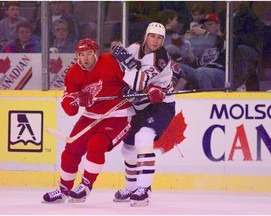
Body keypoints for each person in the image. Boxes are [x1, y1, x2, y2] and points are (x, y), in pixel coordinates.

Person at [42, 38, 135, 203]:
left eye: (89, 53)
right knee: (71, 148)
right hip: (91, 115)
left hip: (118, 114)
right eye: (81, 54)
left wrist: (131, 90)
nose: (85, 58)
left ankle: (85, 186)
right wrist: (75, 101)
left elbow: (133, 80)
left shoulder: (110, 62)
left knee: (96, 144)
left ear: (96, 53)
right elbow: (69, 105)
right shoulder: (73, 72)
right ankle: (64, 189)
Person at [111, 22, 175, 207]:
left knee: (144, 137)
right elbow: (120, 74)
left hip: (161, 105)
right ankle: (131, 188)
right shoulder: (133, 48)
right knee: (128, 148)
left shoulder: (160, 58)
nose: (156, 41)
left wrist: (129, 65)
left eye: (160, 38)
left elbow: (138, 84)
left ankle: (144, 189)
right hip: (139, 105)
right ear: (146, 36)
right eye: (153, 36)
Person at [219, 1, 264, 91]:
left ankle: (237, 84)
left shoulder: (250, 16)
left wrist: (236, 37)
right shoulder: (222, 15)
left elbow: (255, 38)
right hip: (228, 47)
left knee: (240, 50)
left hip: (248, 49)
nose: (234, 2)